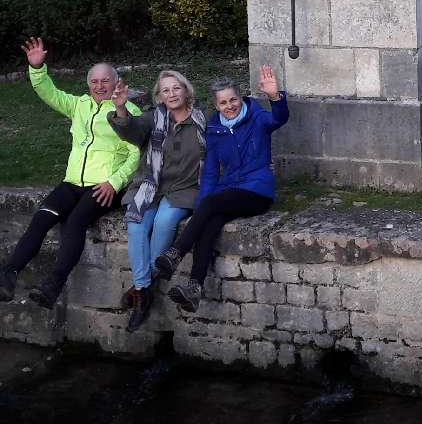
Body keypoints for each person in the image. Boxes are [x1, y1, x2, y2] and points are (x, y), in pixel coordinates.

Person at [0, 37, 140, 308]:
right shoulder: (78, 105)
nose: (99, 87)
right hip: (72, 183)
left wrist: (114, 182)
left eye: (105, 81)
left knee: (74, 223)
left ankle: (53, 286)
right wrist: (38, 68)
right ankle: (8, 275)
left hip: (104, 185)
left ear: (116, 83)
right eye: (94, 82)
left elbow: (136, 154)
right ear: (88, 84)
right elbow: (47, 92)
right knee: (41, 218)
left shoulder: (127, 111)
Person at [154, 66, 288, 312]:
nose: (230, 106)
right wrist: (199, 212)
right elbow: (211, 174)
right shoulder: (214, 130)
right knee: (208, 225)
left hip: (256, 191)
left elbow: (278, 118)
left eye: (233, 100)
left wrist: (274, 97)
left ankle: (175, 253)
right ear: (216, 106)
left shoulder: (257, 119)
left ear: (241, 98)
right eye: (223, 102)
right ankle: (194, 287)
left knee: (211, 205)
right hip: (230, 191)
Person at [107, 70, 206, 331]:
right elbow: (131, 130)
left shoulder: (202, 120)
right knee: (136, 225)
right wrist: (120, 110)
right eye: (166, 90)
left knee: (164, 223)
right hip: (151, 186)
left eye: (176, 88)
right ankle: (143, 289)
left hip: (184, 188)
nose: (172, 94)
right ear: (159, 96)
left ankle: (142, 286)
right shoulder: (153, 118)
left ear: (186, 91)